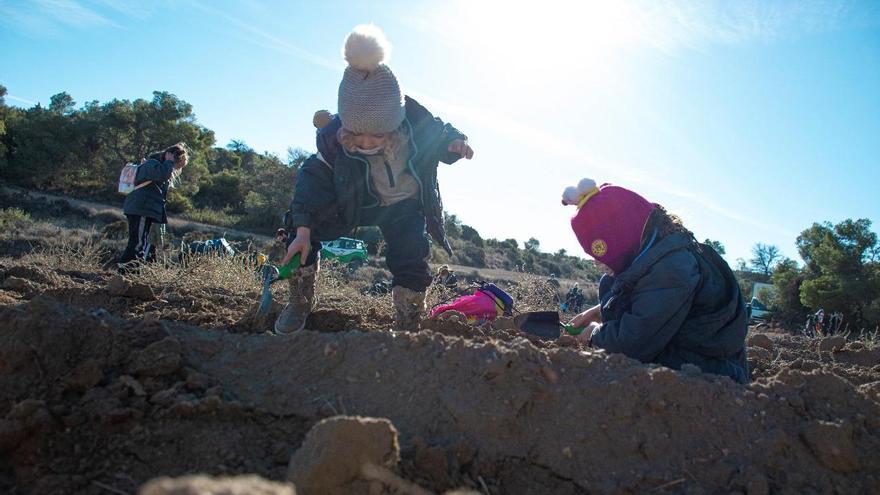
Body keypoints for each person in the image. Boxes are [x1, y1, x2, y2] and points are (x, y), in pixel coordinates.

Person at [277, 25, 474, 334]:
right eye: (357, 134)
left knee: (411, 250)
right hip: (355, 201)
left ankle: (409, 315)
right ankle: (300, 299)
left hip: (404, 204)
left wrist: (455, 144)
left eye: (377, 134)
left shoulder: (413, 119)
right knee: (301, 228)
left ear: (395, 123)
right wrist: (303, 230)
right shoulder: (332, 140)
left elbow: (440, 134)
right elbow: (310, 182)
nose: (366, 142)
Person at [562, 178, 749, 383]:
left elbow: (634, 343)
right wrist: (598, 310)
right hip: (681, 346)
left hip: (711, 371)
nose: (595, 262)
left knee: (632, 363)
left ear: (621, 240)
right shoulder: (659, 254)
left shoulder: (673, 269)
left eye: (598, 253)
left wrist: (595, 334)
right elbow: (649, 296)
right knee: (609, 283)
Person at [118, 143, 188, 270]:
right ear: (171, 157)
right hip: (141, 209)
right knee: (138, 242)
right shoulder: (153, 164)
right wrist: (169, 162)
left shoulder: (154, 165)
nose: (176, 169)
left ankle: (131, 271)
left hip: (143, 209)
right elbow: (162, 175)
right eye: (177, 165)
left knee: (141, 242)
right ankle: (126, 272)